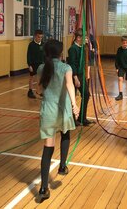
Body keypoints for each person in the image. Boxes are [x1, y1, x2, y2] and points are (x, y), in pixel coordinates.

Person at [36, 39, 79, 201]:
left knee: (48, 148)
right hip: (63, 109)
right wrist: (75, 105)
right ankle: (62, 166)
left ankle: (43, 188)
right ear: (61, 53)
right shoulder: (65, 67)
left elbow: (39, 90)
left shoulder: (41, 68)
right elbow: (70, 85)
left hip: (48, 110)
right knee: (65, 134)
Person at [67, 28, 93, 126]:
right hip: (75, 76)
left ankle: (82, 118)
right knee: (72, 97)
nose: (86, 38)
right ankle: (72, 119)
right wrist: (75, 77)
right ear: (78, 38)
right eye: (84, 37)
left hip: (81, 75)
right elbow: (72, 64)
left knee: (86, 95)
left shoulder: (82, 47)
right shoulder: (73, 49)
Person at [27, 29, 44, 99]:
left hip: (41, 64)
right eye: (38, 37)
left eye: (41, 37)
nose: (40, 39)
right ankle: (30, 91)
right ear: (35, 36)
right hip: (33, 64)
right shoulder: (31, 45)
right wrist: (29, 65)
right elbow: (28, 55)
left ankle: (39, 91)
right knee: (32, 78)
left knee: (40, 78)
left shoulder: (43, 44)